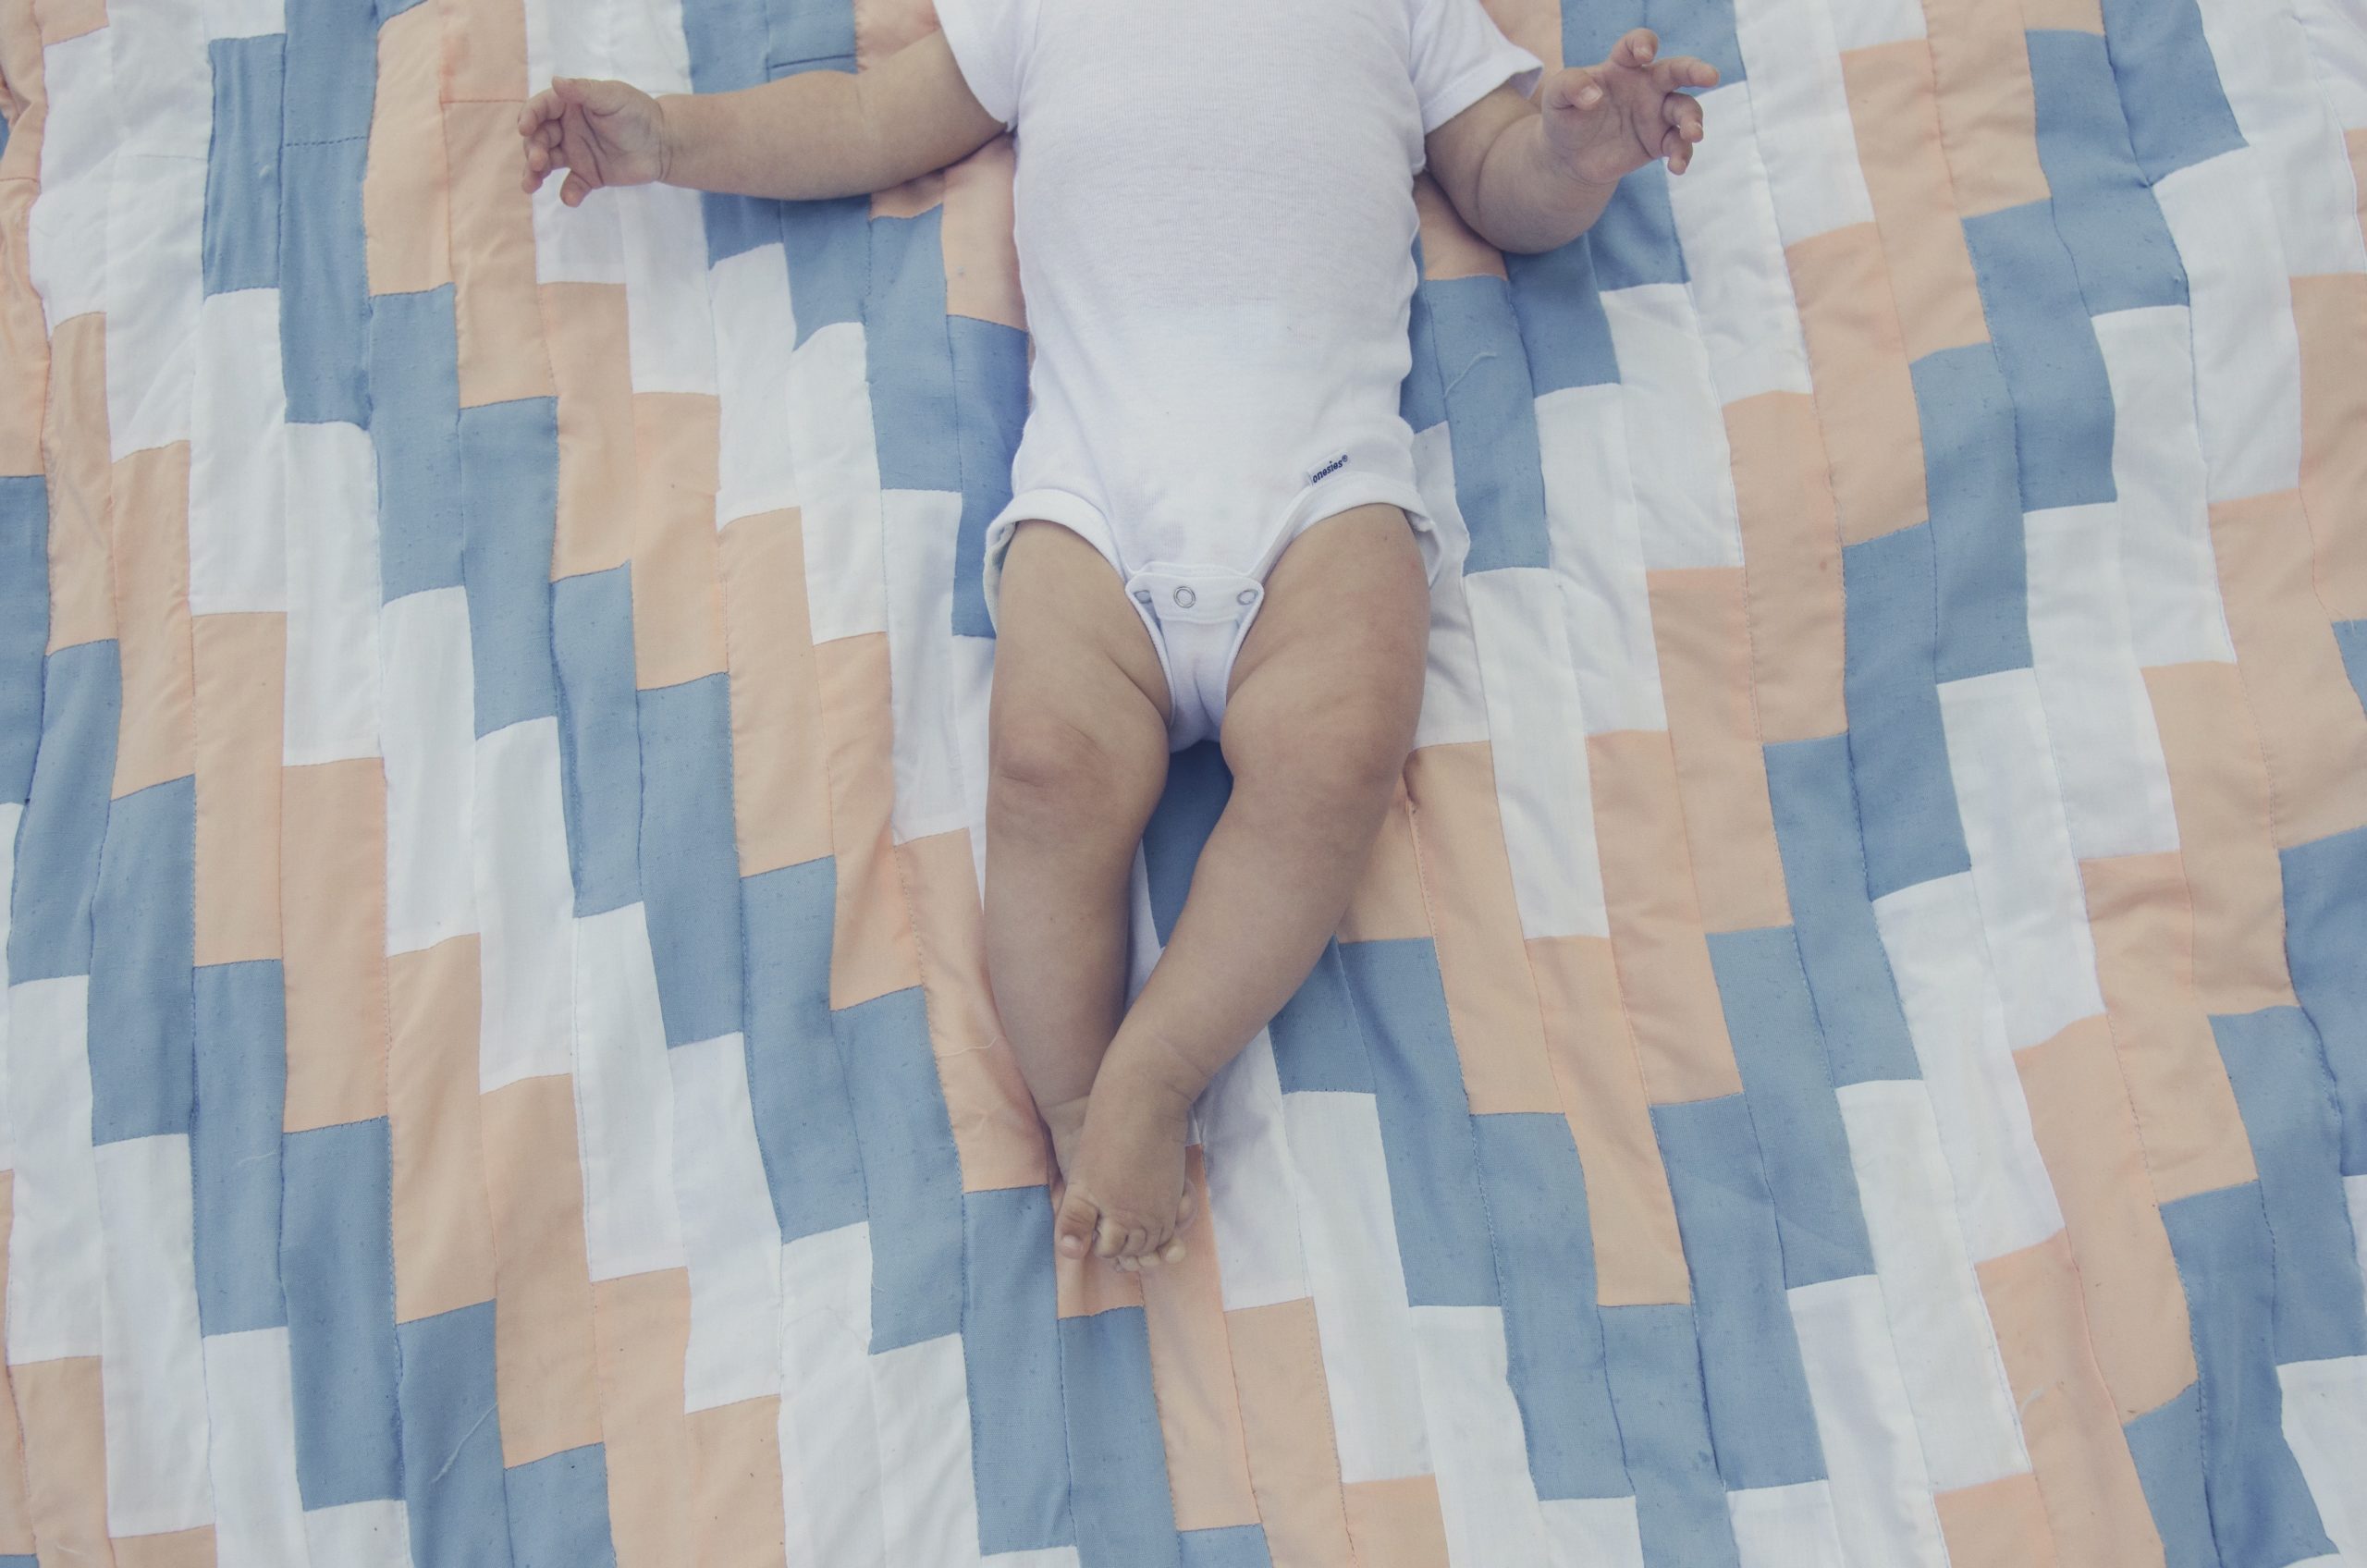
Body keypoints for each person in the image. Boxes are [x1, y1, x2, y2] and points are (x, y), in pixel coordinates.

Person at [520, 0, 1714, 1273]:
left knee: (1339, 754)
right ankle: (1081, 1103)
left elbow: (1496, 177)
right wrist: (673, 136)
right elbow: (870, 120)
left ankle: (1158, 1068)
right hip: (1097, 499)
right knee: (1042, 771)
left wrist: (1582, 156)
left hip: (1319, 491)